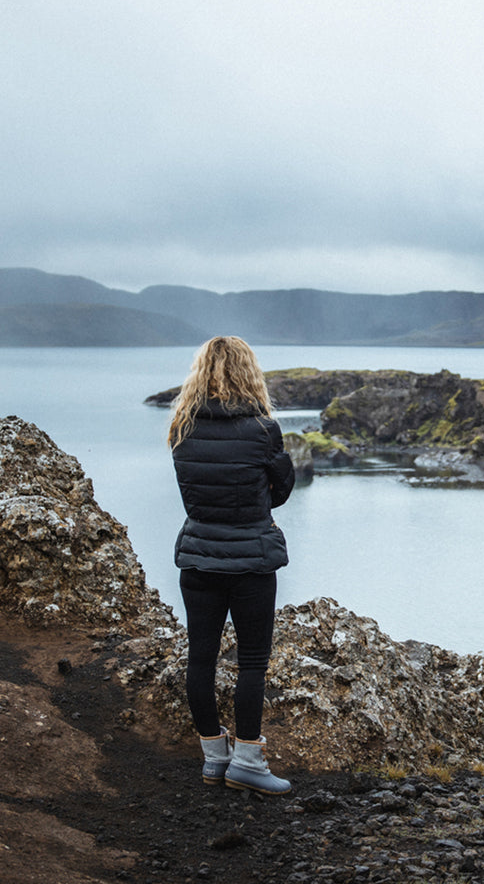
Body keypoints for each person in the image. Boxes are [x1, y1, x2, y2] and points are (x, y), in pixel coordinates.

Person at [166, 336, 296, 795]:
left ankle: (212, 756)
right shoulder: (264, 430)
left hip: (198, 558)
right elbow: (279, 491)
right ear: (249, 373)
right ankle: (247, 762)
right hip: (252, 562)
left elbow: (194, 495)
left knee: (199, 656)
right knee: (252, 663)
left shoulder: (182, 427)